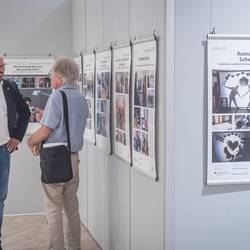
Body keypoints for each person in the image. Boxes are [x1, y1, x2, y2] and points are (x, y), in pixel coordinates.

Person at [27, 57, 88, 250]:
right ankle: (74, 247)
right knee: (71, 207)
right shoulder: (80, 97)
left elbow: (46, 131)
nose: (50, 77)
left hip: (56, 161)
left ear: (60, 77)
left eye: (52, 74)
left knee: (53, 208)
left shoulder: (56, 97)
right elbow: (67, 123)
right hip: (73, 160)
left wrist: (30, 141)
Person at [0, 55, 30, 250]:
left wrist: (17, 137)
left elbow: (25, 112)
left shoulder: (9, 87)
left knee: (0, 198)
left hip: (3, 150)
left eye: (3, 65)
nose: (2, 69)